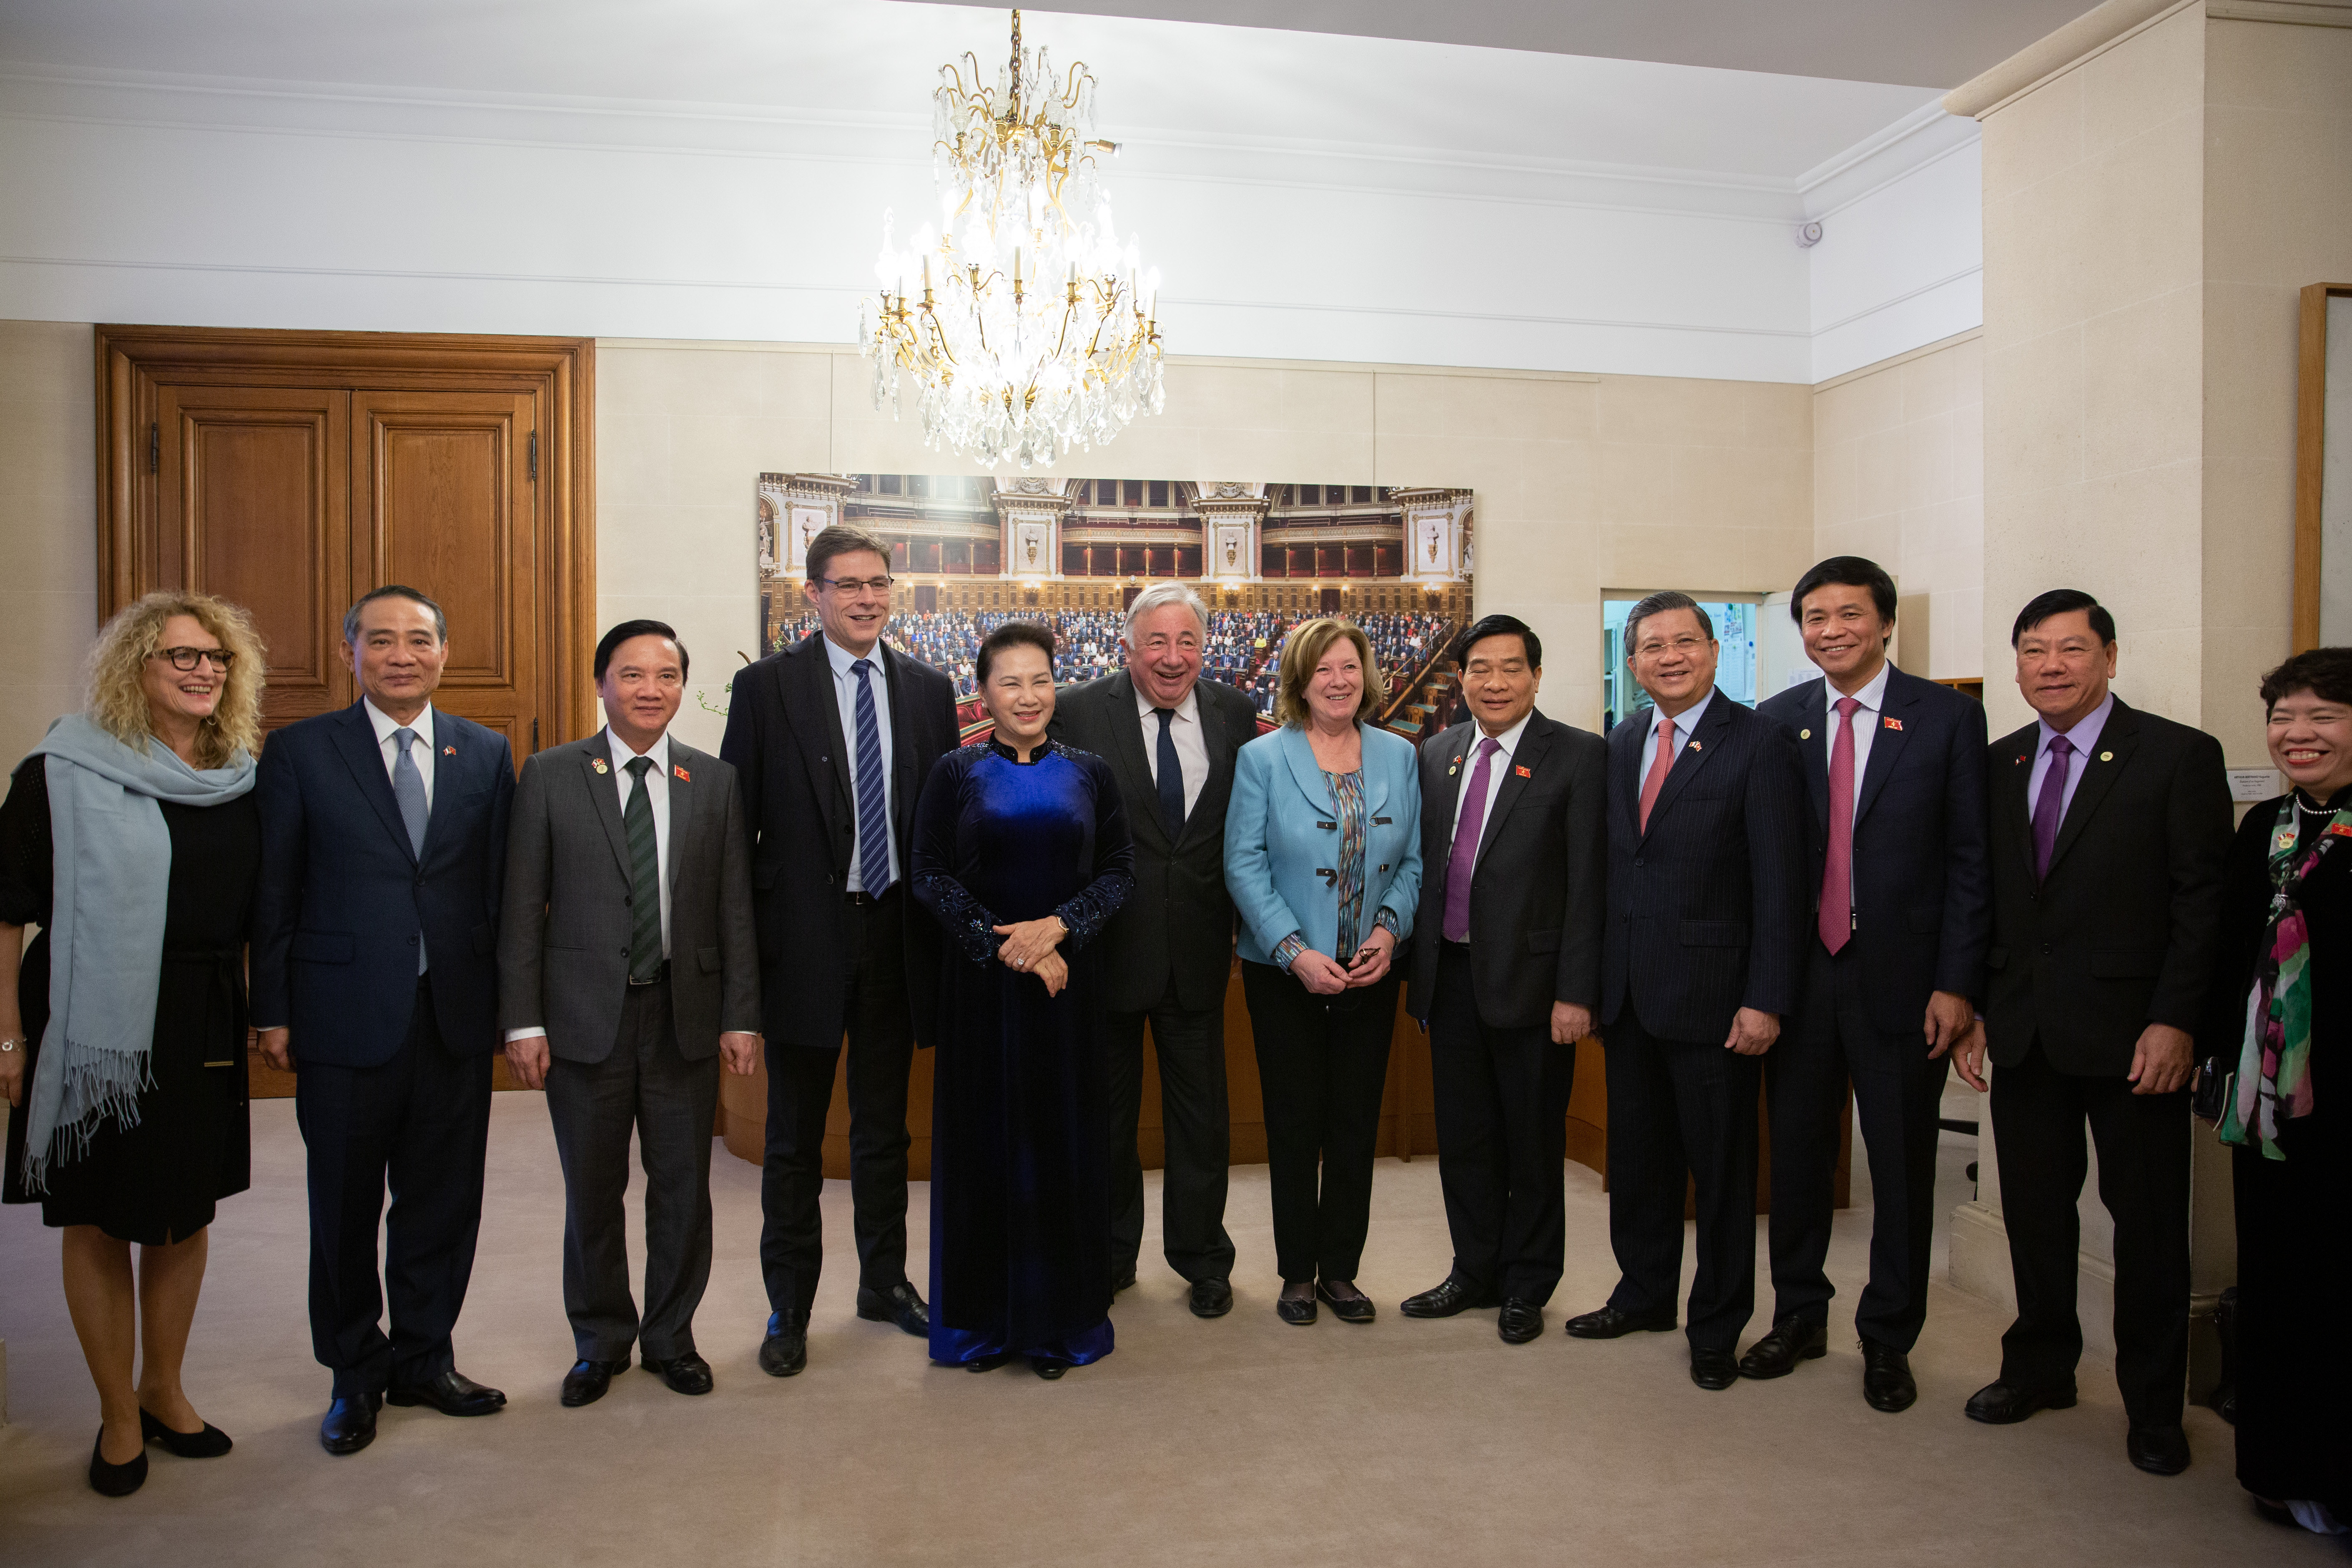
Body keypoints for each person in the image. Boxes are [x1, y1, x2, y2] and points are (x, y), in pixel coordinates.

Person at [1953, 589, 2229, 1476]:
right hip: (2025, 1031)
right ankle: (2041, 1369)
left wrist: (2175, 1020)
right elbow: (1984, 898)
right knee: (2035, 1214)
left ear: (2109, 655)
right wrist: (1972, 1002)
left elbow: (2202, 905)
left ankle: (2153, 1408)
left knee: (2145, 1226)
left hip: (2135, 1040)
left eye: (2070, 649)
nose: (2051, 667)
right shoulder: (1997, 764)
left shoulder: (2176, 756)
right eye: (2033, 652)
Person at [0, 593, 264, 1497]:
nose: (203, 672)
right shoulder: (61, 767)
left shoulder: (242, 775)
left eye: (217, 659)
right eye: (180, 656)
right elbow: (8, 910)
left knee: (185, 1212)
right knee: (98, 1209)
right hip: (90, 1022)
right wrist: (4, 1035)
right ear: (134, 667)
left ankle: (165, 1387)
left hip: (200, 1014)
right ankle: (118, 1412)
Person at [252, 585, 516, 1457]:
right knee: (344, 1206)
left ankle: (425, 1359)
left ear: (445, 651)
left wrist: (511, 1014)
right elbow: (275, 891)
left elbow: (500, 893)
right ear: (349, 653)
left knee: (443, 1202)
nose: (401, 655)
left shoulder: (484, 751)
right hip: (339, 1016)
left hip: (452, 1013)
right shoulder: (298, 752)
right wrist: (274, 1007)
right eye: (381, 641)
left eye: (419, 640)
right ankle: (352, 1375)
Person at [499, 621, 761, 1407]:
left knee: (682, 1185)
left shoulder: (712, 781)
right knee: (593, 1187)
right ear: (602, 683)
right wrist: (523, 1021)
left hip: (682, 1014)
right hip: (583, 1022)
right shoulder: (549, 775)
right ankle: (601, 1338)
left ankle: (671, 1337)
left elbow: (734, 910)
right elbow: (520, 908)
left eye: (667, 675)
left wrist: (740, 1014)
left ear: (682, 685)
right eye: (632, 674)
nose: (651, 689)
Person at [720, 524, 960, 1377]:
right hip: (802, 946)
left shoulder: (930, 690)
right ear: (813, 594)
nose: (866, 598)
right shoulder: (764, 689)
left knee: (883, 1132)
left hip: (896, 939)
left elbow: (940, 828)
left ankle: (884, 1283)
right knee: (792, 1140)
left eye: (878, 583)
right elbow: (731, 839)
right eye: (846, 584)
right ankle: (789, 1305)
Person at [1750, 557, 1990, 1411]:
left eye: (1848, 614)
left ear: (1884, 622)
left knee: (1898, 1167)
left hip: (1905, 984)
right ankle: (1799, 1314)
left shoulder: (1949, 719)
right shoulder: (1775, 723)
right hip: (1802, 983)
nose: (1830, 630)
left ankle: (1888, 1338)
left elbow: (1971, 862)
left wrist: (1959, 986)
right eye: (1814, 617)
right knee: (1801, 1161)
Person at [1566, 591, 1805, 1391]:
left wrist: (1766, 996)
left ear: (1712, 649)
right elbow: (1613, 870)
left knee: (1723, 1172)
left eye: (1684, 641)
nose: (1668, 656)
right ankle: (1642, 1294)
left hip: (1717, 999)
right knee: (1637, 1165)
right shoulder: (1623, 738)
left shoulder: (1762, 743)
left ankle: (1717, 1323)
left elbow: (1780, 881)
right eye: (1651, 646)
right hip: (1630, 997)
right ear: (1630, 662)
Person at [911, 622, 1135, 1377]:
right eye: (1010, 682)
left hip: (1067, 996)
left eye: (1040, 679)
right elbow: (930, 873)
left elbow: (1117, 872)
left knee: (1063, 1152)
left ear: (1056, 685)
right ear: (984, 694)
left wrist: (1059, 930)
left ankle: (1057, 1326)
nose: (1028, 695)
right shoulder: (954, 771)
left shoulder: (1091, 772)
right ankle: (983, 1325)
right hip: (981, 995)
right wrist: (1006, 945)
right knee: (984, 1151)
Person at [1049, 582, 1258, 1316]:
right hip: (1103, 950)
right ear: (1128, 647)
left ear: (1206, 646)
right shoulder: (1077, 709)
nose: (1173, 659)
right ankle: (1108, 1256)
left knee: (1200, 1122)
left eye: (1187, 642)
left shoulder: (1235, 712)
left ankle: (1203, 1257)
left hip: (1200, 950)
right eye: (1157, 643)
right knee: (1104, 1122)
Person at [1398, 613, 1605, 1344]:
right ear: (1461, 678)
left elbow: (1589, 885)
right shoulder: (1438, 751)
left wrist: (1577, 991)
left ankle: (1527, 1283)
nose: (1494, 682)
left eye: (1511, 667)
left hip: (1537, 986)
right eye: (1480, 668)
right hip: (1449, 979)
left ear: (1536, 675)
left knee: (1531, 1141)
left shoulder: (1578, 757)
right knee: (1465, 1139)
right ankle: (1472, 1269)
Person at [1225, 618, 1423, 1327]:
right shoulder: (1262, 758)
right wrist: (1292, 950)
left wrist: (1386, 929)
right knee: (1293, 1124)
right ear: (1299, 683)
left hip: (1372, 974)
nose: (1338, 681)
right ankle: (1295, 1274)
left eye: (1349, 667)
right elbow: (1242, 864)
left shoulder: (1400, 755)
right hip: (1284, 976)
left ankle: (1340, 1270)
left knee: (1353, 1126)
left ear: (1366, 676)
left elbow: (1412, 862)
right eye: (1322, 671)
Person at [2203, 646, 2352, 1534]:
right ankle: (2283, 1465)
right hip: (2273, 1113)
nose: (2298, 735)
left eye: (2322, 718)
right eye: (2283, 718)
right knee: (2280, 1279)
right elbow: (2230, 958)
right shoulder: (2266, 829)